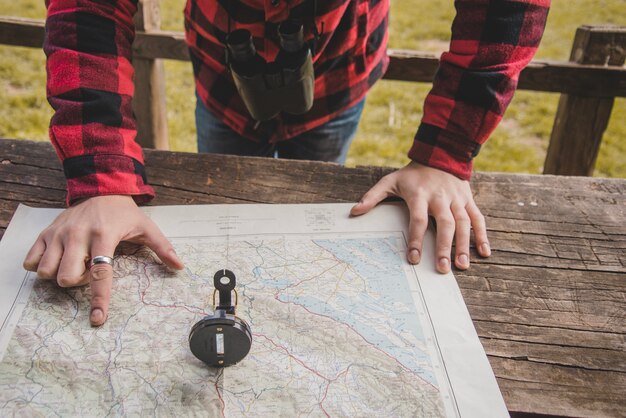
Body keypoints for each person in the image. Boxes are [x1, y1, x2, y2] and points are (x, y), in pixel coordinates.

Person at [23, 0, 551, 326]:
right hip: (224, 79)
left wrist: (444, 155)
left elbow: (506, 9)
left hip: (338, 73)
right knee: (228, 185)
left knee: (317, 182)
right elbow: (86, 7)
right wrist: (101, 179)